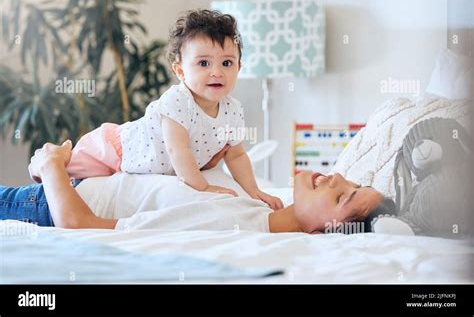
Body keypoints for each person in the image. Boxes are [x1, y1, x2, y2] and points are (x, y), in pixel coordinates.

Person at [33, 9, 283, 211]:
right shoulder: (177, 101)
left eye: (227, 62)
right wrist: (202, 187)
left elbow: (236, 155)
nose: (216, 71)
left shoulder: (233, 110)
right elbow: (178, 149)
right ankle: (44, 160)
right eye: (204, 63)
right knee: (68, 171)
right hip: (118, 149)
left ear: (239, 68)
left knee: (86, 185)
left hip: (141, 161)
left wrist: (254, 191)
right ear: (180, 71)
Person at [0, 141, 385, 234]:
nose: (335, 178)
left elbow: (76, 224)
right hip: (60, 189)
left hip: (42, 206)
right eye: (349, 182)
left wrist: (51, 166)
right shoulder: (259, 207)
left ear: (323, 232)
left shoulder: (229, 225)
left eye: (340, 195)